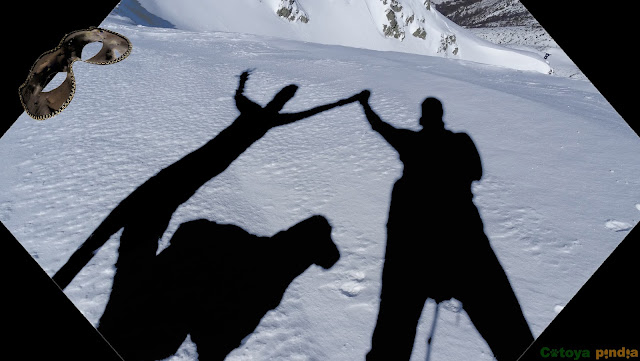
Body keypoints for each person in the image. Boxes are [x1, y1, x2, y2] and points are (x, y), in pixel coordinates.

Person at [358, 90, 534, 361]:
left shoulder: (409, 142)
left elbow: (379, 127)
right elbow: (477, 172)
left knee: (391, 338)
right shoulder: (460, 142)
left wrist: (365, 104)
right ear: (441, 117)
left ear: (421, 118)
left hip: (411, 249)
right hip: (465, 245)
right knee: (510, 333)